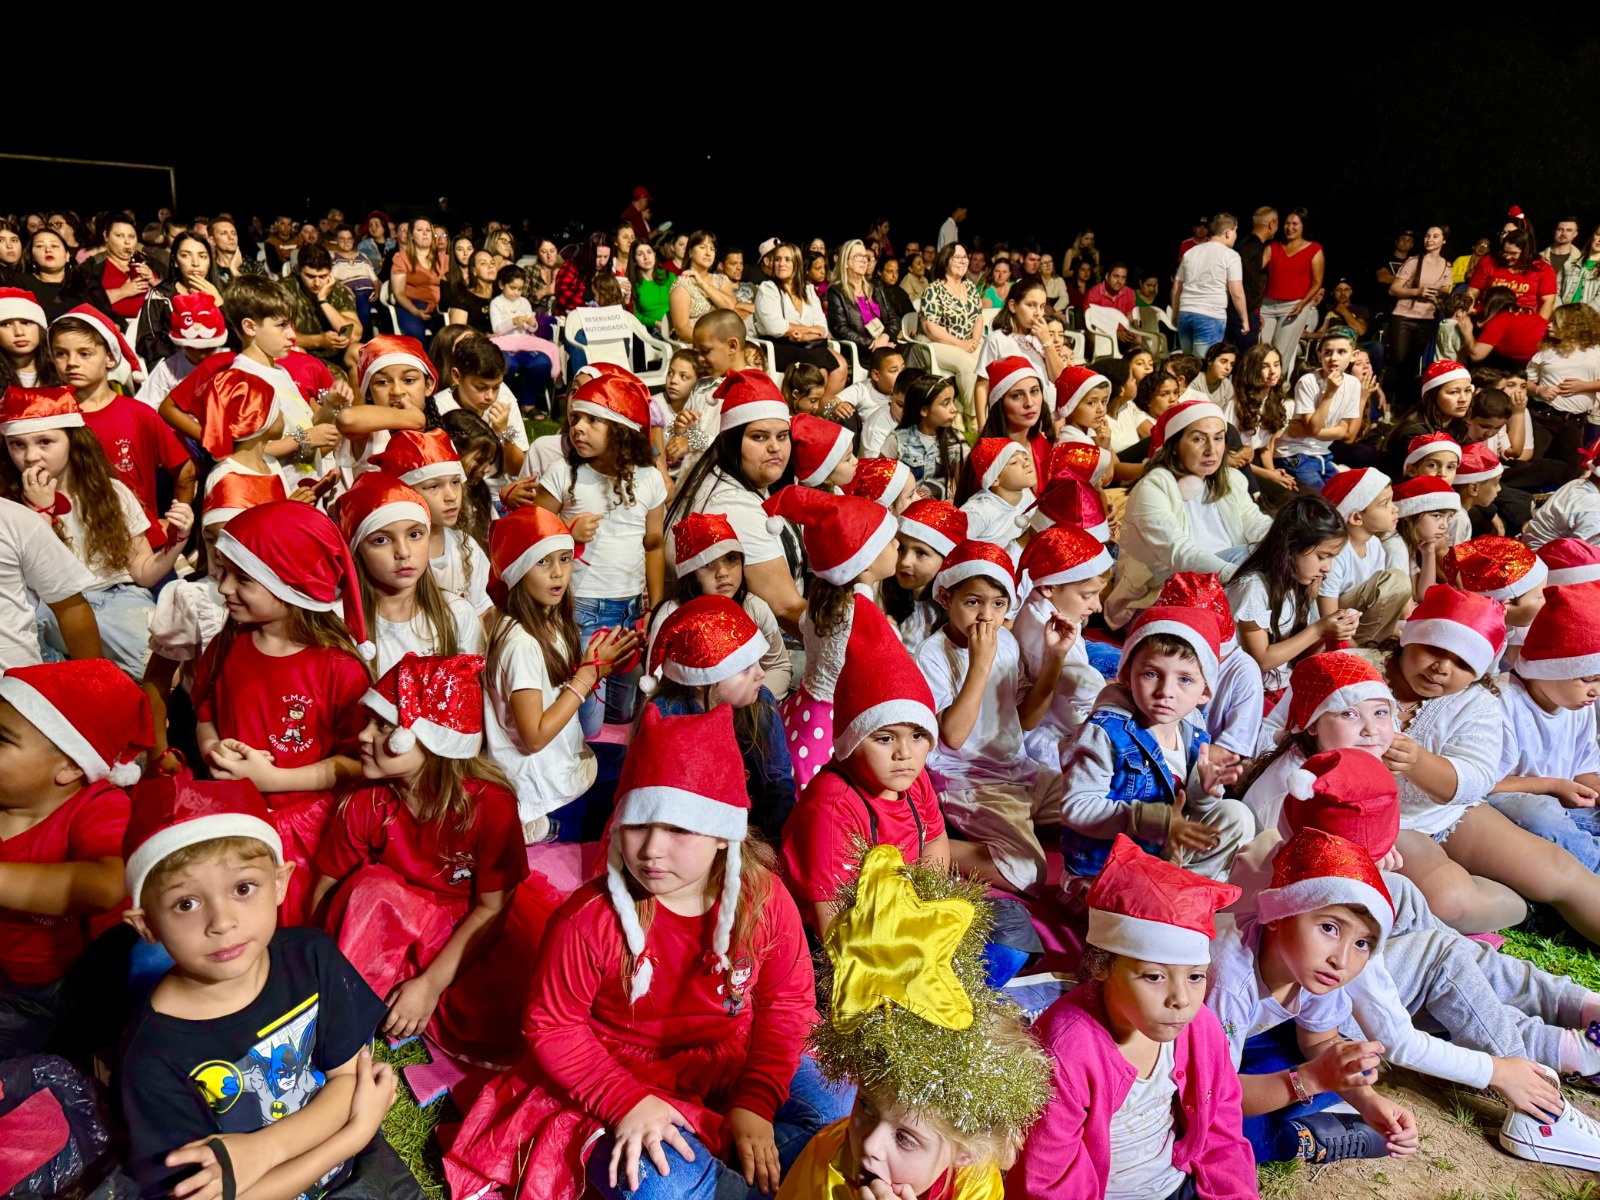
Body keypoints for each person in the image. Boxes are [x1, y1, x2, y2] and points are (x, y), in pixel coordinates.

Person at [445, 703, 847, 1200]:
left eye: (679, 828)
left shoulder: (763, 900)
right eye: (638, 824)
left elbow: (787, 1006)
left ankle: (740, 1168)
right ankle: (750, 1176)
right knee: (659, 1182)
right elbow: (552, 1026)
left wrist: (757, 1102)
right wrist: (627, 1103)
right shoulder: (588, 919)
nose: (652, 849)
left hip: (728, 1058)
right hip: (614, 1076)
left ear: (724, 835)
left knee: (840, 1105)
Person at [118, 771, 419, 1199]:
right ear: (147, 924)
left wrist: (267, 1148)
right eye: (186, 903)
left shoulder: (311, 957)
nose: (223, 922)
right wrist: (354, 1131)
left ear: (279, 883)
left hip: (351, 1163)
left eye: (243, 888)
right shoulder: (150, 1059)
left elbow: (351, 1077)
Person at [311, 652, 550, 1065]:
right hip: (392, 920)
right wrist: (317, 970)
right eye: (368, 722)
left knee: (506, 1014)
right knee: (372, 892)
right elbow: (325, 891)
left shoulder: (489, 806)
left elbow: (492, 909)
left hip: (465, 923)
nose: (363, 736)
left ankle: (403, 996)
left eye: (383, 726)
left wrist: (430, 986)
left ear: (432, 738)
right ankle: (357, 1013)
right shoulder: (366, 802)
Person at [1015, 837, 1251, 1198]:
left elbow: (1222, 1124)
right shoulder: (1065, 1052)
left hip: (1178, 1182)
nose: (1181, 1000)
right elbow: (1048, 1180)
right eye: (1154, 977)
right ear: (1102, 967)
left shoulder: (1199, 1026)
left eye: (1195, 976)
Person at [191, 501, 373, 925]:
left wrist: (274, 780)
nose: (223, 590)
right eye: (223, 574)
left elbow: (358, 765)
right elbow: (205, 712)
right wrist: (214, 748)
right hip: (230, 817)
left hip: (304, 835)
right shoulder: (228, 645)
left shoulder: (338, 669)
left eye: (243, 579)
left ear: (292, 583)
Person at [0, 659, 148, 1057]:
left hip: (69, 983)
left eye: (2, 739)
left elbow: (105, 884)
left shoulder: (99, 805)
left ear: (68, 765)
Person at [0, 385, 189, 680]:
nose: (30, 456)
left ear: (74, 441)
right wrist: (40, 514)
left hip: (117, 597)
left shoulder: (110, 493)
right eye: (17, 444)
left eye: (45, 442)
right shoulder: (9, 505)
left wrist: (175, 544)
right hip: (50, 608)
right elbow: (43, 585)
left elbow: (141, 572)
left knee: (170, 672)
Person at [483, 506, 641, 845]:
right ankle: (547, 828)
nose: (558, 573)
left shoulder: (548, 618)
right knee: (631, 810)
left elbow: (559, 689)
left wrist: (606, 663)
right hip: (539, 782)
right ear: (518, 570)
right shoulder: (520, 642)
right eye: (543, 562)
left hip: (562, 758)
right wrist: (587, 674)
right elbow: (535, 737)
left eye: (565, 559)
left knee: (636, 761)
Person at [1059, 604, 1248, 882]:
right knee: (1137, 913)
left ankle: (1178, 888)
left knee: (1236, 815)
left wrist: (1204, 790)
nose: (1165, 692)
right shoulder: (1105, 732)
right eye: (1151, 674)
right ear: (1126, 675)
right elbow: (1077, 808)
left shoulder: (1193, 724)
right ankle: (1167, 898)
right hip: (1105, 870)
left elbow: (1191, 808)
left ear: (1204, 692)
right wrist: (1152, 820)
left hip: (1157, 856)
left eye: (1184, 679)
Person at [915, 540, 1063, 895]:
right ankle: (931, 849)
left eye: (998, 605)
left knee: (1093, 809)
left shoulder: (1006, 642)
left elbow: (1025, 720)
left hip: (1018, 770)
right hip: (970, 780)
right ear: (946, 599)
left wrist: (1055, 658)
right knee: (1027, 873)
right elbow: (952, 736)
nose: (986, 616)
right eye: (973, 602)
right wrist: (979, 664)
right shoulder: (931, 655)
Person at [535, 372, 665, 728]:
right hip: (580, 610)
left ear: (621, 429)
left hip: (629, 610)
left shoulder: (649, 479)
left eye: (593, 420)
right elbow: (528, 536)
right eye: (575, 417)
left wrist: (654, 604)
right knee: (587, 723)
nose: (578, 427)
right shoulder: (563, 473)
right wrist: (567, 534)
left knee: (622, 713)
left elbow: (653, 544)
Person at [762, 486, 901, 790]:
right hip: (836, 722)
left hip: (808, 710)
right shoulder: (860, 616)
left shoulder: (826, 599)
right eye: (889, 541)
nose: (898, 544)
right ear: (865, 563)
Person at [1104, 400, 1271, 629]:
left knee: (1285, 556)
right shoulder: (1154, 487)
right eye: (1198, 439)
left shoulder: (1232, 480)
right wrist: (1236, 574)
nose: (1211, 449)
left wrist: (1286, 543)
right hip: (1156, 597)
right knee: (1249, 556)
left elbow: (1256, 522)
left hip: (1223, 583)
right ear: (1174, 446)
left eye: (1218, 438)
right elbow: (1177, 552)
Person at [639, 596, 793, 843]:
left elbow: (779, 783)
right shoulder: (665, 716)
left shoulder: (761, 702)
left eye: (756, 663)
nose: (761, 674)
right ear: (704, 680)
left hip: (752, 834)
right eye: (745, 668)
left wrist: (770, 848)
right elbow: (660, 811)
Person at [665, 370, 807, 631]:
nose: (775, 447)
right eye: (759, 436)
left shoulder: (749, 480)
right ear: (732, 442)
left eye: (782, 436)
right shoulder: (731, 505)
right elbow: (786, 610)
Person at [51, 306, 194, 533]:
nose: (71, 363)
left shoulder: (139, 414)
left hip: (143, 541)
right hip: (76, 541)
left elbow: (185, 469)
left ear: (109, 357)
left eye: (85, 353)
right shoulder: (50, 415)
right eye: (61, 353)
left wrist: (176, 518)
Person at [336, 472, 481, 674]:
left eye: (414, 535)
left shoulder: (457, 614)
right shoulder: (337, 624)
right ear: (356, 550)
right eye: (381, 540)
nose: (403, 552)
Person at [1225, 494, 1358, 701]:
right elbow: (1261, 660)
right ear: (1290, 547)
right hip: (1249, 694)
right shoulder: (1253, 589)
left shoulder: (1296, 583)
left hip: (1281, 684)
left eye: (1332, 558)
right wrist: (1319, 629)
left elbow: (1292, 651)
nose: (1327, 568)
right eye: (1322, 557)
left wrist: (1330, 632)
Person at [655, 512, 792, 699]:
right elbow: (657, 687)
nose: (722, 572)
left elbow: (778, 666)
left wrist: (752, 702)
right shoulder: (671, 616)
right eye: (707, 563)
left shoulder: (755, 608)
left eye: (731, 559)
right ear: (690, 572)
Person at [1013, 525, 1115, 770]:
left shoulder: (1046, 605)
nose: (1097, 607)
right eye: (1087, 595)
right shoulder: (1045, 631)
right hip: (1049, 736)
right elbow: (1083, 696)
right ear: (1049, 587)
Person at [1317, 469, 1411, 646]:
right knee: (1396, 581)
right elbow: (1328, 615)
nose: (1395, 508)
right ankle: (1366, 650)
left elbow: (1380, 607)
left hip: (1355, 620)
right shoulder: (1335, 553)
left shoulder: (1375, 545)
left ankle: (1374, 645)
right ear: (1356, 517)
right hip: (1335, 625)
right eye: (1385, 504)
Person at [1274, 327, 1362, 491]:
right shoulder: (1308, 381)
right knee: (1323, 499)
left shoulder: (1353, 384)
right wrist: (1329, 393)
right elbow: (1314, 426)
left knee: (1346, 494)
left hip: (1322, 453)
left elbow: (1344, 431)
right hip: (1294, 453)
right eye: (1328, 352)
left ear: (1353, 356)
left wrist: (1310, 431)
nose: (1333, 358)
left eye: (1341, 352)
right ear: (1320, 354)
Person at [974, 278, 1068, 426]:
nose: (1037, 313)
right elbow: (982, 384)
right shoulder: (997, 339)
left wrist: (1046, 342)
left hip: (1045, 417)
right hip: (1012, 417)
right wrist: (981, 425)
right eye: (1031, 305)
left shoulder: (1041, 337)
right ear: (1013, 306)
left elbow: (1058, 378)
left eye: (1042, 306)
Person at [753, 243, 845, 387]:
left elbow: (823, 328)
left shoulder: (808, 291)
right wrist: (812, 329)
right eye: (777, 259)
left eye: (787, 259)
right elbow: (775, 327)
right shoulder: (768, 288)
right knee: (821, 367)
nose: (781, 263)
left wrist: (806, 335)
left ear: (797, 263)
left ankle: (822, 407)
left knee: (840, 364)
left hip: (806, 344)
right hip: (778, 346)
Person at [1527, 303, 1600, 468]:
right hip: (1542, 416)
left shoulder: (1596, 352)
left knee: (1571, 469)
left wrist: (1584, 386)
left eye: (1555, 322)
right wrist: (1539, 390)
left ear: (1572, 326)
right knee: (1532, 463)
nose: (1549, 325)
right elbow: (1525, 382)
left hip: (1574, 421)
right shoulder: (1546, 352)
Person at [918, 244, 984, 417]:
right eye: (957, 257)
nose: (963, 261)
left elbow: (978, 317)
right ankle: (973, 415)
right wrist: (961, 344)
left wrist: (974, 341)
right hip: (936, 344)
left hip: (967, 342)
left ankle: (968, 406)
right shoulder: (934, 289)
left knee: (988, 358)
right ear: (946, 260)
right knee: (968, 364)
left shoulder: (969, 287)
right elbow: (931, 328)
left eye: (965, 257)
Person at [135, 291, 229, 410]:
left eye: (209, 348)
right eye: (192, 349)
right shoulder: (168, 369)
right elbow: (144, 407)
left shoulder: (230, 364)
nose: (201, 355)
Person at [1385, 225, 1452, 390]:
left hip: (1426, 319)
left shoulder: (1447, 267)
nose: (1430, 240)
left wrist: (1439, 299)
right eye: (1427, 236)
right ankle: (1384, 405)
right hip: (1404, 317)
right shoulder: (1413, 261)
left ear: (1443, 240)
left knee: (1412, 363)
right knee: (1398, 361)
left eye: (1435, 236)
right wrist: (1418, 292)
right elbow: (1393, 289)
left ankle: (1403, 405)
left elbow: (1443, 296)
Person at [1258, 209, 1324, 376]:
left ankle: (1278, 390)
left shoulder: (1314, 249)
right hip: (1268, 305)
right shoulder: (1274, 247)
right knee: (1261, 350)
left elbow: (1317, 282)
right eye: (1287, 223)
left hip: (1294, 306)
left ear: (1303, 226)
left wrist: (1303, 304)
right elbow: (1254, 270)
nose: (1290, 227)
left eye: (1295, 224)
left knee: (1281, 351)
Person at [882, 372, 967, 501]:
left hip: (942, 512)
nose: (954, 409)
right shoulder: (897, 440)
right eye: (945, 403)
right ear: (924, 410)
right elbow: (881, 481)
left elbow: (965, 485)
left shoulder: (955, 441)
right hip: (906, 513)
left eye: (952, 401)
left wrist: (953, 501)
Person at [1171, 214, 1247, 356]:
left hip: (1185, 313)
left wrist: (1175, 314)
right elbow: (1236, 292)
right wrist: (1244, 319)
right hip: (1210, 316)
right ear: (1228, 232)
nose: (1236, 235)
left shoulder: (1190, 253)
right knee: (1203, 365)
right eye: (1236, 231)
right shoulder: (1230, 255)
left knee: (1187, 364)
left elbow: (1177, 287)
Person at [956, 438, 1037, 563]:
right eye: (1014, 462)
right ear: (994, 479)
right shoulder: (979, 511)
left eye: (1025, 458)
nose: (1027, 463)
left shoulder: (1027, 495)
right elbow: (950, 549)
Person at [825, 238, 897, 361]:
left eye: (865, 256)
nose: (864, 260)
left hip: (885, 345)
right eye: (858, 256)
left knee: (915, 350)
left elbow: (894, 319)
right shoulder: (836, 292)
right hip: (863, 351)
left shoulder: (875, 287)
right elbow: (841, 329)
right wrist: (874, 344)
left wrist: (885, 337)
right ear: (846, 262)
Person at [1465, 229, 1558, 318]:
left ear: (1526, 252)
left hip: (1523, 321)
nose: (1507, 257)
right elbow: (1472, 291)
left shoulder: (1543, 269)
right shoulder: (1489, 262)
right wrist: (1470, 309)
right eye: (1505, 252)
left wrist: (1536, 327)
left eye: (1513, 253)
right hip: (1489, 318)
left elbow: (1548, 302)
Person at [667, 231, 736, 340]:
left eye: (712, 249)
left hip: (724, 340)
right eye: (702, 247)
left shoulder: (721, 279)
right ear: (690, 252)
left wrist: (702, 284)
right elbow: (681, 328)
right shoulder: (682, 284)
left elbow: (730, 307)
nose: (708, 253)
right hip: (695, 343)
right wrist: (710, 342)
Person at [92, 213, 157, 324]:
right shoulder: (95, 267)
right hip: (113, 327)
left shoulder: (150, 263)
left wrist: (154, 280)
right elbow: (86, 302)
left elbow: (171, 295)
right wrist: (123, 291)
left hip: (151, 325)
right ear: (106, 236)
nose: (127, 242)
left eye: (131, 237)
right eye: (119, 236)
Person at [391, 218, 448, 340]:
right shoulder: (401, 258)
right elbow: (399, 293)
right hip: (411, 305)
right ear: (411, 235)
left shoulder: (444, 259)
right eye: (420, 230)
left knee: (447, 333)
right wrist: (416, 311)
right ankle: (421, 359)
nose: (425, 233)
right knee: (414, 332)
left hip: (438, 307)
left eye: (428, 230)